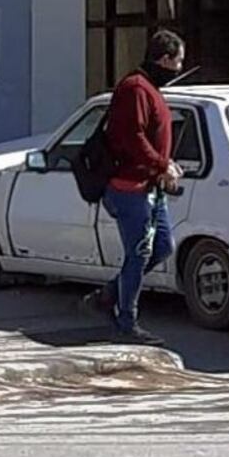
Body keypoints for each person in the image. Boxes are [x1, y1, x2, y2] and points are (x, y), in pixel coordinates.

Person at [82, 29, 186, 345]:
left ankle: (107, 296)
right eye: (179, 61)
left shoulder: (149, 88)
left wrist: (164, 165)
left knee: (162, 247)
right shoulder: (135, 88)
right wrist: (161, 163)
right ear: (165, 59)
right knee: (139, 252)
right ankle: (126, 321)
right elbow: (132, 136)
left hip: (150, 186)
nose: (180, 68)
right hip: (128, 187)